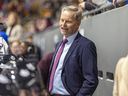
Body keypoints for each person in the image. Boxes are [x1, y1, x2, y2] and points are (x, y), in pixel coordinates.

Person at [48, 5, 98, 96]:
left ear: (78, 24)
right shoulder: (58, 45)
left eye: (68, 21)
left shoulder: (86, 46)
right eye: (62, 20)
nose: (63, 24)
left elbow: (91, 81)